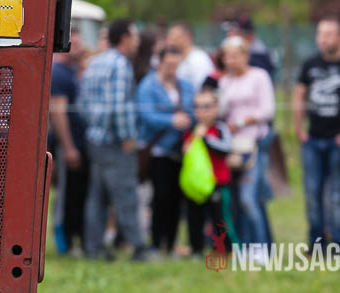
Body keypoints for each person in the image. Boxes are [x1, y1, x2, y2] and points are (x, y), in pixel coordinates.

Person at [293, 17, 340, 254]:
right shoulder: (310, 64)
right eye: (319, 34)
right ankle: (316, 243)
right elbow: (299, 94)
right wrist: (299, 129)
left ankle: (336, 244)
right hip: (313, 141)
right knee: (312, 194)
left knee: (337, 194)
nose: (322, 39)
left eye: (327, 34)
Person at [79, 19, 148, 261]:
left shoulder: (96, 62)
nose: (137, 42)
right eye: (135, 36)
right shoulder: (120, 64)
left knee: (97, 196)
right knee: (126, 195)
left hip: (95, 139)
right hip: (115, 142)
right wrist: (127, 136)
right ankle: (138, 247)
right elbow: (119, 107)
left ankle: (94, 247)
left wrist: (94, 126)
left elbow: (82, 104)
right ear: (125, 38)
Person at [135, 46, 194, 254]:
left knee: (176, 199)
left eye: (176, 65)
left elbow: (193, 110)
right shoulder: (148, 86)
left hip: (181, 150)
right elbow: (146, 115)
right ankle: (156, 241)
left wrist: (187, 120)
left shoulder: (185, 86)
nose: (172, 69)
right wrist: (171, 120)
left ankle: (171, 242)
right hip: (157, 151)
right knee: (160, 197)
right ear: (159, 63)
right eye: (168, 64)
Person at [218, 36, 274, 247]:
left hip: (255, 145)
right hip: (231, 147)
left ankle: (262, 247)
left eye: (235, 56)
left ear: (245, 56)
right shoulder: (224, 82)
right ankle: (244, 245)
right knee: (237, 201)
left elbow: (267, 110)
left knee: (249, 199)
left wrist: (242, 121)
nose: (231, 61)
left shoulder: (259, 77)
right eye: (227, 57)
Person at [183, 88, 239, 255]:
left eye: (206, 106)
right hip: (196, 185)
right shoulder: (192, 129)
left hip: (217, 183)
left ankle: (225, 249)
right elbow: (185, 152)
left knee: (220, 219)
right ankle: (196, 249)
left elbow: (226, 148)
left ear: (216, 108)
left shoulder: (220, 128)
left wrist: (206, 139)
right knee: (194, 218)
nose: (202, 111)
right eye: (198, 106)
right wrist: (193, 140)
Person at [50, 31, 88, 255]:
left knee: (76, 194)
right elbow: (58, 113)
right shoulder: (59, 73)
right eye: (76, 44)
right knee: (65, 196)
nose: (80, 49)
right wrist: (68, 147)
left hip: (78, 144)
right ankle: (63, 242)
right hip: (67, 146)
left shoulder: (73, 72)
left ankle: (74, 238)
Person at [167, 22, 215, 92]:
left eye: (175, 38)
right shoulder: (174, 60)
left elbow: (201, 90)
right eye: (170, 38)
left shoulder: (199, 59)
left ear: (188, 37)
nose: (170, 42)